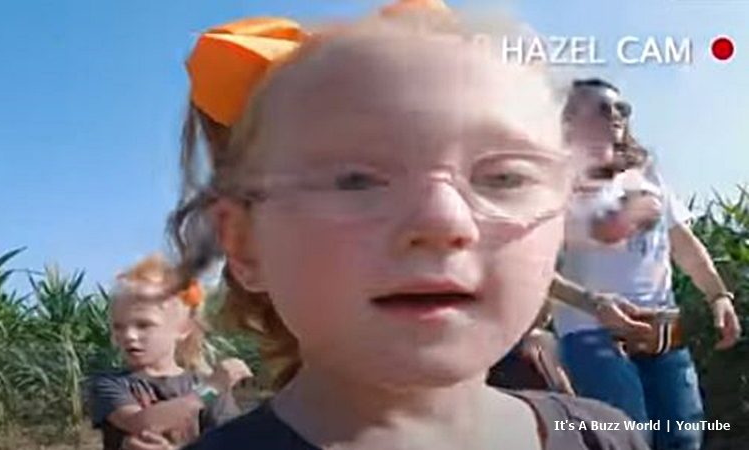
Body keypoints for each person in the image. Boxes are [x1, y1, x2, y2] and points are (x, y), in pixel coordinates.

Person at [149, 2, 650, 449]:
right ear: (246, 243)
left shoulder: (605, 434)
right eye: (354, 179)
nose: (443, 220)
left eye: (503, 177)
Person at [551, 78, 742, 450]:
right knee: (627, 438)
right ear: (570, 119)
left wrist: (718, 295)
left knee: (683, 439)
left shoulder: (646, 174)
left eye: (621, 108)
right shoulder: (552, 185)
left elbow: (683, 242)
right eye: (603, 108)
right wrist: (594, 304)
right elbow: (536, 271)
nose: (616, 115)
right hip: (592, 332)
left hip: (662, 332)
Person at [87, 254, 252, 450]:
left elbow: (230, 442)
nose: (129, 335)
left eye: (143, 325)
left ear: (183, 329)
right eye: (118, 327)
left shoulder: (202, 383)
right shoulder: (109, 384)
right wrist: (211, 390)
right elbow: (141, 423)